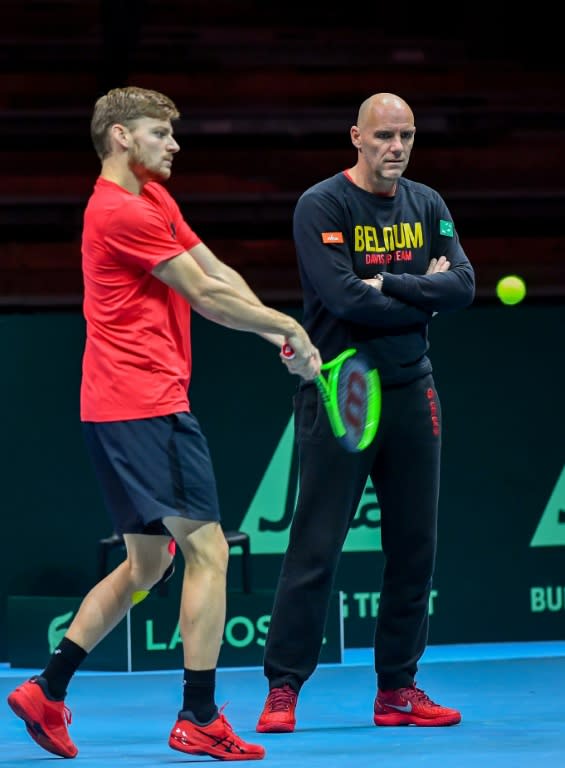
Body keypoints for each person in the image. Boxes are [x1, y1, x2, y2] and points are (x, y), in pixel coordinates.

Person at [7, 86, 321, 760]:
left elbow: (216, 269)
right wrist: (289, 326)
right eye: (160, 133)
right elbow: (204, 296)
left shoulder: (153, 198)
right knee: (209, 551)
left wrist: (277, 334)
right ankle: (199, 714)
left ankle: (48, 689)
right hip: (146, 407)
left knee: (148, 563)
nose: (173, 144)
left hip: (113, 409)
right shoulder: (117, 211)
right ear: (120, 137)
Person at [256, 92, 475, 733]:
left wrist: (398, 287)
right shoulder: (321, 205)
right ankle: (283, 689)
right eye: (383, 136)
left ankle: (397, 691)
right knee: (315, 546)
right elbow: (343, 298)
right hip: (342, 390)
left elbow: (462, 282)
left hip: (413, 389)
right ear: (356, 136)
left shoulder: (428, 204)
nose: (396, 148)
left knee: (415, 547)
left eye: (406, 136)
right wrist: (422, 295)